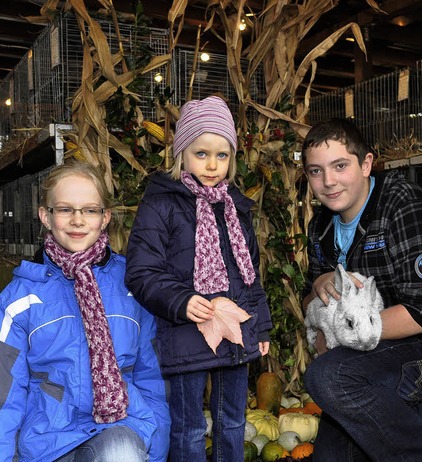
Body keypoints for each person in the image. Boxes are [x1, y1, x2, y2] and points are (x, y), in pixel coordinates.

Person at [301, 118, 422, 462]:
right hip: (362, 354)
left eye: (340, 166)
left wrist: (340, 336)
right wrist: (319, 285)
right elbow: (309, 299)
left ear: (366, 164)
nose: (328, 181)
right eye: (316, 171)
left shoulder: (402, 205)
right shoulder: (321, 223)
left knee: (328, 378)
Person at [125, 95, 272, 462]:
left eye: (222, 155)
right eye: (201, 153)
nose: (212, 165)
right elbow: (142, 270)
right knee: (189, 427)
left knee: (233, 421)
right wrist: (180, 300)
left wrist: (262, 328)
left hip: (236, 331)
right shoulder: (161, 203)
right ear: (181, 154)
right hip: (186, 329)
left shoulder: (236, 206)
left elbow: (250, 273)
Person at [0, 160, 170, 462]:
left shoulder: (132, 286)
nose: (77, 220)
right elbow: (5, 393)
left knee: (122, 454)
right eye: (65, 209)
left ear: (105, 217)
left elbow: (152, 377)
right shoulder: (21, 297)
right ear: (45, 216)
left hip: (118, 430)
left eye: (89, 210)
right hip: (47, 440)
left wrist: (154, 454)